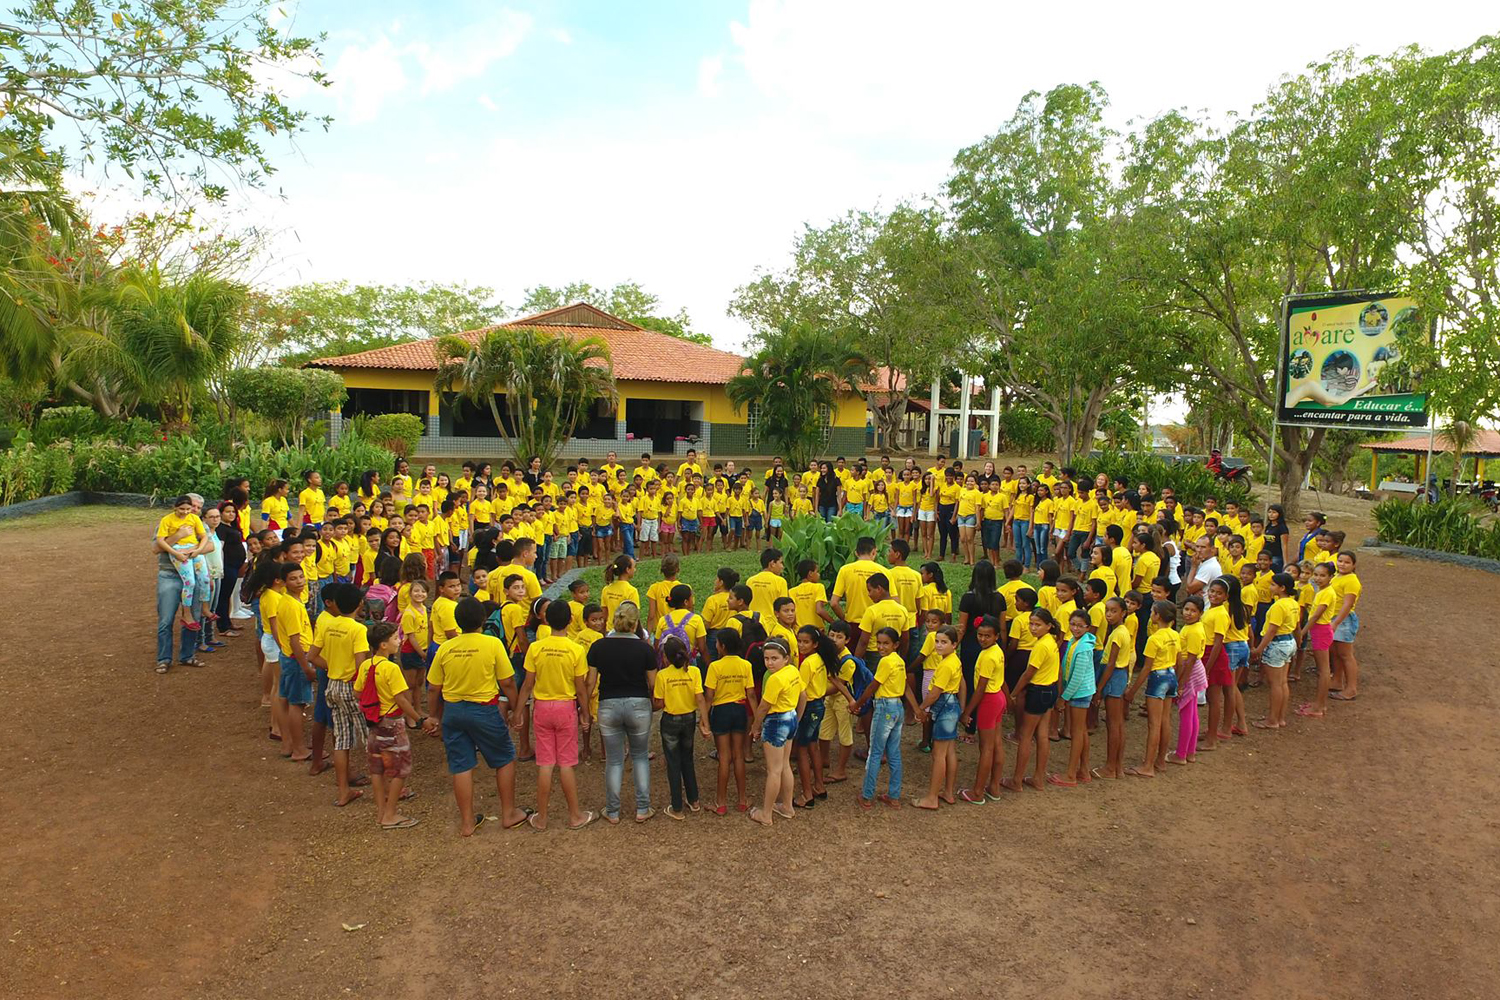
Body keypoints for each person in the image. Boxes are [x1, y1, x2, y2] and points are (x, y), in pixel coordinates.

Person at [425, 597, 532, 836]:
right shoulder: (492, 644)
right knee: (504, 758)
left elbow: (433, 687)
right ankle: (509, 813)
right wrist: (516, 709)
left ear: (458, 621)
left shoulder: (446, 647)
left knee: (461, 764)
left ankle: (466, 822)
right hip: (484, 709)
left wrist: (433, 716)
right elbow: (507, 682)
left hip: (453, 711)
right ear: (483, 620)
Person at [517, 601, 594, 830]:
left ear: (546, 620)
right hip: (565, 708)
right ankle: (575, 816)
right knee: (567, 763)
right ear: (571, 620)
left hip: (542, 708)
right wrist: (586, 714)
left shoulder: (536, 648)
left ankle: (541, 818)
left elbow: (527, 685)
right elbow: (580, 688)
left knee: (545, 764)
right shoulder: (576, 649)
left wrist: (519, 711)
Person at [585, 602, 658, 824]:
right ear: (635, 623)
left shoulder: (598, 647)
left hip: (608, 704)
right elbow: (653, 684)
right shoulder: (645, 649)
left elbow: (590, 683)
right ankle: (643, 808)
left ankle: (613, 810)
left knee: (614, 761)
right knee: (640, 757)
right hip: (638, 705)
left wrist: (584, 707)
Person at [307, 583, 370, 806]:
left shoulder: (328, 624)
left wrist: (331, 666)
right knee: (371, 738)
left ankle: (343, 791)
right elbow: (360, 665)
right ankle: (387, 789)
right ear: (359, 604)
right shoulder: (358, 629)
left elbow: (312, 656)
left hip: (332, 685)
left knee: (341, 741)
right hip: (351, 687)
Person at [359, 622, 424, 829]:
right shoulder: (391, 668)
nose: (399, 641)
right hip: (392, 723)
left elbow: (357, 691)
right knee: (400, 769)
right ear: (383, 645)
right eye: (395, 638)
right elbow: (402, 700)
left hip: (374, 722)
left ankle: (381, 812)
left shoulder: (366, 665)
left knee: (377, 769)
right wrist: (420, 719)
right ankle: (390, 813)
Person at [849, 627, 919, 808]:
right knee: (894, 753)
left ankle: (867, 795)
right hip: (897, 708)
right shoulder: (899, 661)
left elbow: (873, 686)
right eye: (878, 643)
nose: (881, 647)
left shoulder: (886, 662)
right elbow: (905, 687)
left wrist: (858, 704)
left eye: (885, 643)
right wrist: (916, 708)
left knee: (875, 752)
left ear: (895, 644)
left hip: (884, 707)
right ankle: (894, 796)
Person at [748, 636, 804, 826]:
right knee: (785, 765)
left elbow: (763, 707)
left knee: (773, 770)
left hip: (776, 722)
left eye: (774, 658)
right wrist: (798, 717)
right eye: (766, 658)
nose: (769, 663)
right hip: (791, 717)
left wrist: (755, 727)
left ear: (785, 658)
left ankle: (766, 814)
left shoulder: (774, 679)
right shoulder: (793, 672)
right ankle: (787, 807)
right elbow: (803, 696)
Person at [654, 635, 712, 820]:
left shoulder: (662, 675)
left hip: (670, 720)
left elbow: (659, 703)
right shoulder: (694, 672)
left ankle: (677, 807)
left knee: (673, 763)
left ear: (666, 658)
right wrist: (705, 723)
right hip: (689, 719)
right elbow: (700, 698)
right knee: (687, 758)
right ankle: (694, 800)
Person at [1004, 609, 1061, 792]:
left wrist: (1013, 693)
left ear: (1048, 625)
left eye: (1037, 624)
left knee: (1025, 736)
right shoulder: (1051, 641)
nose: (1033, 628)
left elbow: (1028, 674)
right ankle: (1038, 778)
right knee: (1042, 736)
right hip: (1050, 690)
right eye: (1031, 624)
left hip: (1038, 691)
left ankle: (1017, 780)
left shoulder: (1040, 646)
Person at [1125, 600, 1180, 777]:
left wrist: (1133, 690)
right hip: (1171, 675)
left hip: (1158, 677)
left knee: (1154, 724)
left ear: (1157, 616)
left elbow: (1147, 669)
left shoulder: (1154, 638)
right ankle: (1160, 761)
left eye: (1152, 612)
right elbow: (1179, 660)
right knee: (1165, 721)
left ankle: (1147, 765)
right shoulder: (1175, 635)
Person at [704, 628, 757, 815]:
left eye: (717, 643)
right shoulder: (745, 665)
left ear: (723, 646)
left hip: (721, 711)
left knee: (724, 757)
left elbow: (709, 696)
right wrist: (757, 720)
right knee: (739, 756)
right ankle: (742, 800)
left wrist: (704, 721)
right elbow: (750, 694)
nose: (716, 646)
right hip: (740, 709)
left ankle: (721, 803)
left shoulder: (715, 667)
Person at [912, 625, 963, 810]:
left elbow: (934, 694)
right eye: (937, 641)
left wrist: (921, 708)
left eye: (944, 642)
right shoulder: (953, 660)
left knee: (938, 754)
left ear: (954, 644)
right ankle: (948, 792)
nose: (939, 646)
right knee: (949, 751)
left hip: (944, 708)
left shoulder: (945, 665)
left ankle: (932, 797)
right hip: (952, 705)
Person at [957, 616, 1006, 802]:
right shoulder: (997, 651)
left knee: (986, 747)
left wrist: (967, 712)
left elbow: (980, 688)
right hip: (998, 696)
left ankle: (977, 792)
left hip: (988, 701)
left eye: (987, 636)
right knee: (996, 744)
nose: (982, 639)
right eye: (980, 635)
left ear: (995, 636)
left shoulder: (987, 656)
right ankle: (994, 786)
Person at [1052, 609, 1097, 787]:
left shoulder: (1083, 647)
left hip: (1079, 692)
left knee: (1077, 732)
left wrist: (1063, 697)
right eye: (1073, 625)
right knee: (1082, 731)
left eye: (1080, 626)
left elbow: (1077, 676)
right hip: (1079, 691)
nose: (1076, 628)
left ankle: (1070, 774)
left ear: (1087, 627)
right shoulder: (1075, 642)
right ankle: (1083, 770)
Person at [1298, 561, 1338, 718]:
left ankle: (1319, 707)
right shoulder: (1322, 591)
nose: (1318, 578)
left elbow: (1315, 616)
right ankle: (1319, 703)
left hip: (1321, 631)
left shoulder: (1327, 593)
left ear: (1330, 577)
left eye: (1322, 575)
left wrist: (1302, 632)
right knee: (1323, 670)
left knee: (1323, 671)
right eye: (1316, 574)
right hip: (1319, 630)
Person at [1328, 551, 1363, 701]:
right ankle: (1337, 680)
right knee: (1335, 652)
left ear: (1353, 565)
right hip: (1334, 617)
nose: (1342, 564)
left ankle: (1351, 688)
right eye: (1340, 561)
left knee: (1346, 654)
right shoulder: (1337, 576)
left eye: (1347, 562)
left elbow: (1348, 604)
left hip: (1343, 620)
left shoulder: (1351, 581)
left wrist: (1336, 622)